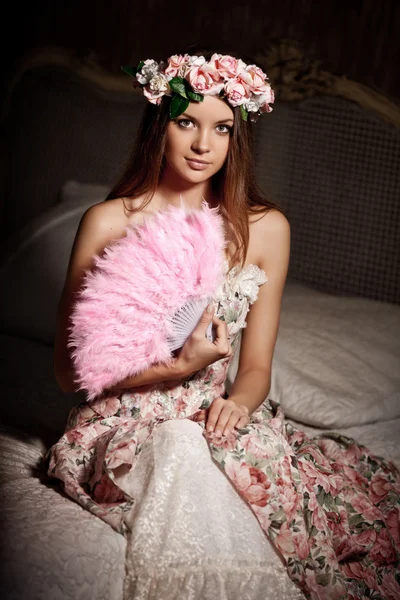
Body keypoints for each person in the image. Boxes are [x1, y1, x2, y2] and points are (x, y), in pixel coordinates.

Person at [46, 46, 400, 600]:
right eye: (186, 122)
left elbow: (256, 366)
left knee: (281, 485)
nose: (203, 145)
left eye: (223, 129)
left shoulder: (266, 230)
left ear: (239, 137)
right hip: (122, 419)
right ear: (160, 124)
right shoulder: (109, 220)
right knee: (179, 449)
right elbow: (69, 374)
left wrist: (239, 403)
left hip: (213, 412)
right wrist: (179, 364)